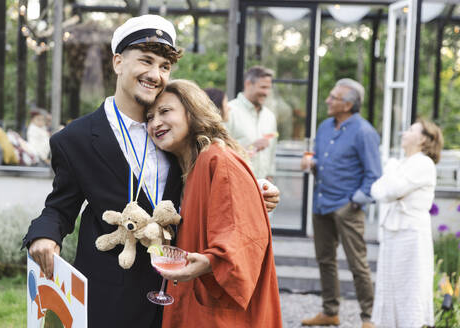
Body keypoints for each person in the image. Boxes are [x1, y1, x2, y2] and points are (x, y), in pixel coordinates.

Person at [22, 15, 279, 328]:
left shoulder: (174, 130)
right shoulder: (73, 139)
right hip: (109, 297)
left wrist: (255, 189)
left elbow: (216, 174)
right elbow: (59, 208)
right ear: (118, 62)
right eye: (146, 61)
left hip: (178, 293)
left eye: (164, 67)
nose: (155, 74)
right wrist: (44, 236)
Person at [146, 79, 282, 328]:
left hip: (219, 310)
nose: (155, 123)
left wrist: (212, 261)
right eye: (149, 117)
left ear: (192, 111)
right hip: (192, 299)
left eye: (165, 111)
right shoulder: (184, 168)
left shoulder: (218, 160)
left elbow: (245, 234)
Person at [300, 78, 381, 328]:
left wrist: (353, 202)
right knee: (325, 260)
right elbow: (322, 161)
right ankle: (330, 311)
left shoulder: (364, 132)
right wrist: (312, 165)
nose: (328, 100)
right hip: (321, 203)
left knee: (358, 264)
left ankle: (369, 317)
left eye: (333, 97)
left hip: (347, 208)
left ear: (347, 105)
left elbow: (374, 176)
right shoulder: (325, 126)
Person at [370, 119, 443, 328]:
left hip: (410, 235)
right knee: (390, 287)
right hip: (394, 232)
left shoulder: (422, 163)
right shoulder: (404, 163)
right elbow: (377, 191)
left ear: (423, 139)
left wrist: (390, 171)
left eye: (411, 130)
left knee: (409, 287)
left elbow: (390, 190)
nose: (404, 133)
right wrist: (390, 177)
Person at [226, 66, 277, 181]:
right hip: (236, 183)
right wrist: (251, 147)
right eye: (263, 87)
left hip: (262, 187)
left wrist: (270, 176)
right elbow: (220, 152)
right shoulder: (229, 111)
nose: (266, 92)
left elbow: (271, 152)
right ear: (248, 84)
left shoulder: (270, 117)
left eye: (269, 88)